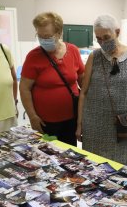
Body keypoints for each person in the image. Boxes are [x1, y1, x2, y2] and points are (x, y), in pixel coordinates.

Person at [76, 14, 127, 166]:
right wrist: (79, 124)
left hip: (125, 126)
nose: (102, 42)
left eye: (106, 37)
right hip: (95, 126)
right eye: (98, 38)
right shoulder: (94, 57)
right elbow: (84, 92)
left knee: (123, 170)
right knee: (94, 167)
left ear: (117, 32)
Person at [20, 12, 84, 146]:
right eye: (40, 36)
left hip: (71, 119)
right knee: (49, 155)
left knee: (69, 155)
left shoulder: (73, 51)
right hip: (45, 122)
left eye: (47, 36)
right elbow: (24, 88)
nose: (43, 40)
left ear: (59, 33)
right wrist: (32, 116)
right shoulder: (33, 56)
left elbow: (83, 82)